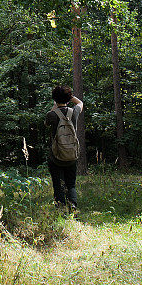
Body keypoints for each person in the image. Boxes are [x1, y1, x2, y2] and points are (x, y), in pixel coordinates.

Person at [45, 84, 83, 212]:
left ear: (54, 98)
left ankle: (60, 209)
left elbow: (46, 123)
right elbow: (80, 103)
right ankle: (73, 207)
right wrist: (70, 97)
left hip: (55, 156)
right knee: (70, 184)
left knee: (58, 184)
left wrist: (55, 104)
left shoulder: (51, 115)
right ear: (68, 97)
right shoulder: (74, 112)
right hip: (71, 155)